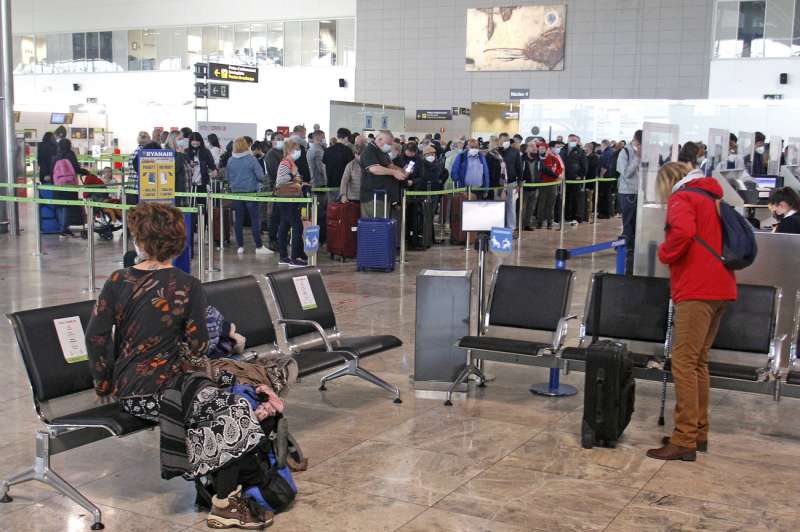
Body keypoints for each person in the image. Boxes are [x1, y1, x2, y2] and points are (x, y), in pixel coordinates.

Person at [85, 202, 273, 529]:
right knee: (232, 407)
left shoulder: (118, 280)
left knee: (222, 405)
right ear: (176, 240)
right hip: (168, 390)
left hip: (132, 391)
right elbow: (200, 345)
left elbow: (96, 337)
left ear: (140, 241)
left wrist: (104, 385)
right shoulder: (186, 285)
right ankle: (224, 502)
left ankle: (221, 494)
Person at [646, 161, 737, 462]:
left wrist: (664, 253)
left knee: (683, 362)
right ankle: (698, 432)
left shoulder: (682, 197)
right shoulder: (711, 196)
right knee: (698, 362)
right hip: (721, 286)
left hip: (697, 289)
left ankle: (684, 439)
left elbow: (682, 233)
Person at [226, 136, 270, 256]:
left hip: (236, 194)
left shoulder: (230, 160)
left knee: (238, 220)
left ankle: (240, 246)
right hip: (251, 193)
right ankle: (259, 246)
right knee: (255, 220)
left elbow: (227, 178)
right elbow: (261, 176)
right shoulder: (251, 159)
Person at [274, 139, 308, 267]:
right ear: (289, 150)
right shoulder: (285, 163)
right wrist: (297, 180)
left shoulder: (290, 162)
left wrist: (298, 181)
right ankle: (295, 257)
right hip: (287, 198)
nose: (298, 152)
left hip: (288, 199)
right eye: (296, 149)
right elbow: (282, 181)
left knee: (284, 226)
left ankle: (283, 256)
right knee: (297, 226)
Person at [359, 130, 407, 219]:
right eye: (388, 144)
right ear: (380, 139)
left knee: (384, 225)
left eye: (390, 144)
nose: (389, 147)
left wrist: (402, 171)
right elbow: (374, 169)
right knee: (376, 227)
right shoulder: (369, 151)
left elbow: (390, 165)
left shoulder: (382, 152)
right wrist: (394, 172)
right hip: (373, 197)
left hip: (384, 196)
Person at [52, 138, 89, 238]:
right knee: (66, 207)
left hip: (58, 185)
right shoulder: (70, 155)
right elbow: (76, 168)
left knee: (60, 207)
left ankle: (62, 228)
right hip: (69, 184)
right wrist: (86, 172)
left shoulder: (55, 156)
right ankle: (63, 230)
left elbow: (52, 171)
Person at [616, 129, 642, 273]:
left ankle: (633, 250)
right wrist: (637, 158)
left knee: (636, 224)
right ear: (635, 141)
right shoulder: (624, 153)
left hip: (640, 193)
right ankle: (626, 251)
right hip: (627, 193)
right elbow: (625, 173)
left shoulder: (642, 152)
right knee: (628, 224)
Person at [534, 141, 563, 229]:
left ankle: (550, 222)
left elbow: (559, 168)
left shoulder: (553, 158)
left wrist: (557, 175)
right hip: (542, 185)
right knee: (541, 204)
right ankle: (539, 222)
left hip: (552, 184)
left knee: (551, 204)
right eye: (539, 149)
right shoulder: (537, 159)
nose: (541, 150)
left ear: (546, 150)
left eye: (543, 149)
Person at [497, 133, 523, 232]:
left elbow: (519, 167)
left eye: (507, 140)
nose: (506, 142)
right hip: (498, 184)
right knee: (498, 205)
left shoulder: (515, 152)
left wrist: (519, 183)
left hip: (512, 183)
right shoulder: (495, 152)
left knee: (511, 206)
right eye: (504, 140)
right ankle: (499, 226)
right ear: (499, 141)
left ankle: (511, 228)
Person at [561, 134, 589, 225]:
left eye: (574, 140)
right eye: (571, 140)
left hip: (576, 179)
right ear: (568, 140)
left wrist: (580, 175)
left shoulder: (581, 151)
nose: (573, 141)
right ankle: (566, 216)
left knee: (576, 199)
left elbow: (584, 165)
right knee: (566, 198)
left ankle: (576, 217)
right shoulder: (563, 150)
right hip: (564, 178)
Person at [265, 134, 285, 248]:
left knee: (282, 215)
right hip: (277, 188)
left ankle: (280, 238)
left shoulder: (283, 152)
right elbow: (275, 172)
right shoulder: (271, 154)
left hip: (286, 189)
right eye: (278, 139)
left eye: (282, 139)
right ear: (272, 141)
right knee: (275, 215)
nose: (281, 141)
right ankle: (273, 240)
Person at [307, 130, 328, 243]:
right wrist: (327, 180)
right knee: (321, 214)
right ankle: (321, 238)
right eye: (323, 137)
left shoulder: (310, 150)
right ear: (319, 138)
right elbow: (322, 168)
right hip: (320, 184)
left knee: (314, 213)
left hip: (313, 183)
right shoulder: (319, 150)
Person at [163, 131, 188, 204]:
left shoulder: (182, 152)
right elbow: (173, 170)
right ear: (173, 140)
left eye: (182, 139)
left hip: (185, 190)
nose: (182, 141)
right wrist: (180, 154)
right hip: (175, 192)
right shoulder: (168, 153)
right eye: (179, 139)